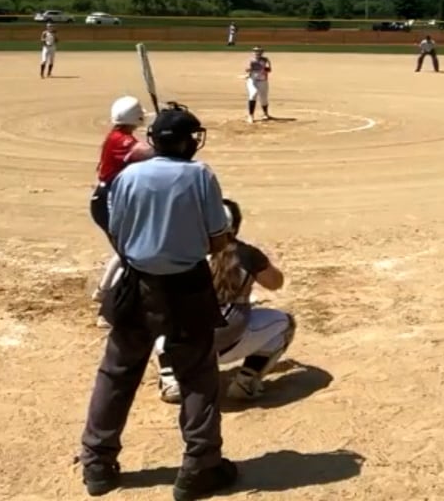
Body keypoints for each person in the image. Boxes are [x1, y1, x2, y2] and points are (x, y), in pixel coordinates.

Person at [77, 103, 238, 499]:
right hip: (187, 286)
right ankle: (200, 466)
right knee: (197, 375)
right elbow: (218, 240)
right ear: (188, 142)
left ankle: (97, 463)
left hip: (136, 283)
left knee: (117, 372)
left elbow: (117, 232)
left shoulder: (127, 176)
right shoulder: (201, 175)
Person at [158, 199, 296, 404]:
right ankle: (246, 382)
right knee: (286, 323)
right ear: (235, 226)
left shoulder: (180, 251)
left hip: (180, 346)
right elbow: (275, 283)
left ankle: (171, 378)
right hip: (226, 345)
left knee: (162, 311)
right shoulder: (247, 254)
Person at [91, 96, 156, 303]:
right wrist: (162, 135)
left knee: (126, 251)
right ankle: (112, 300)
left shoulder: (117, 136)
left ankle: (102, 292)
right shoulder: (122, 140)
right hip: (108, 201)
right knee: (129, 254)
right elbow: (149, 154)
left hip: (111, 199)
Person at [243, 47, 272, 124]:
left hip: (263, 81)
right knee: (253, 94)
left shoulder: (265, 60)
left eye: (259, 51)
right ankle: (251, 116)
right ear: (253, 52)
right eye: (255, 51)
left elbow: (269, 69)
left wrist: (263, 68)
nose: (257, 53)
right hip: (253, 81)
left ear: (262, 52)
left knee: (264, 98)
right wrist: (250, 69)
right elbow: (246, 69)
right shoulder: (250, 60)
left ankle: (265, 114)